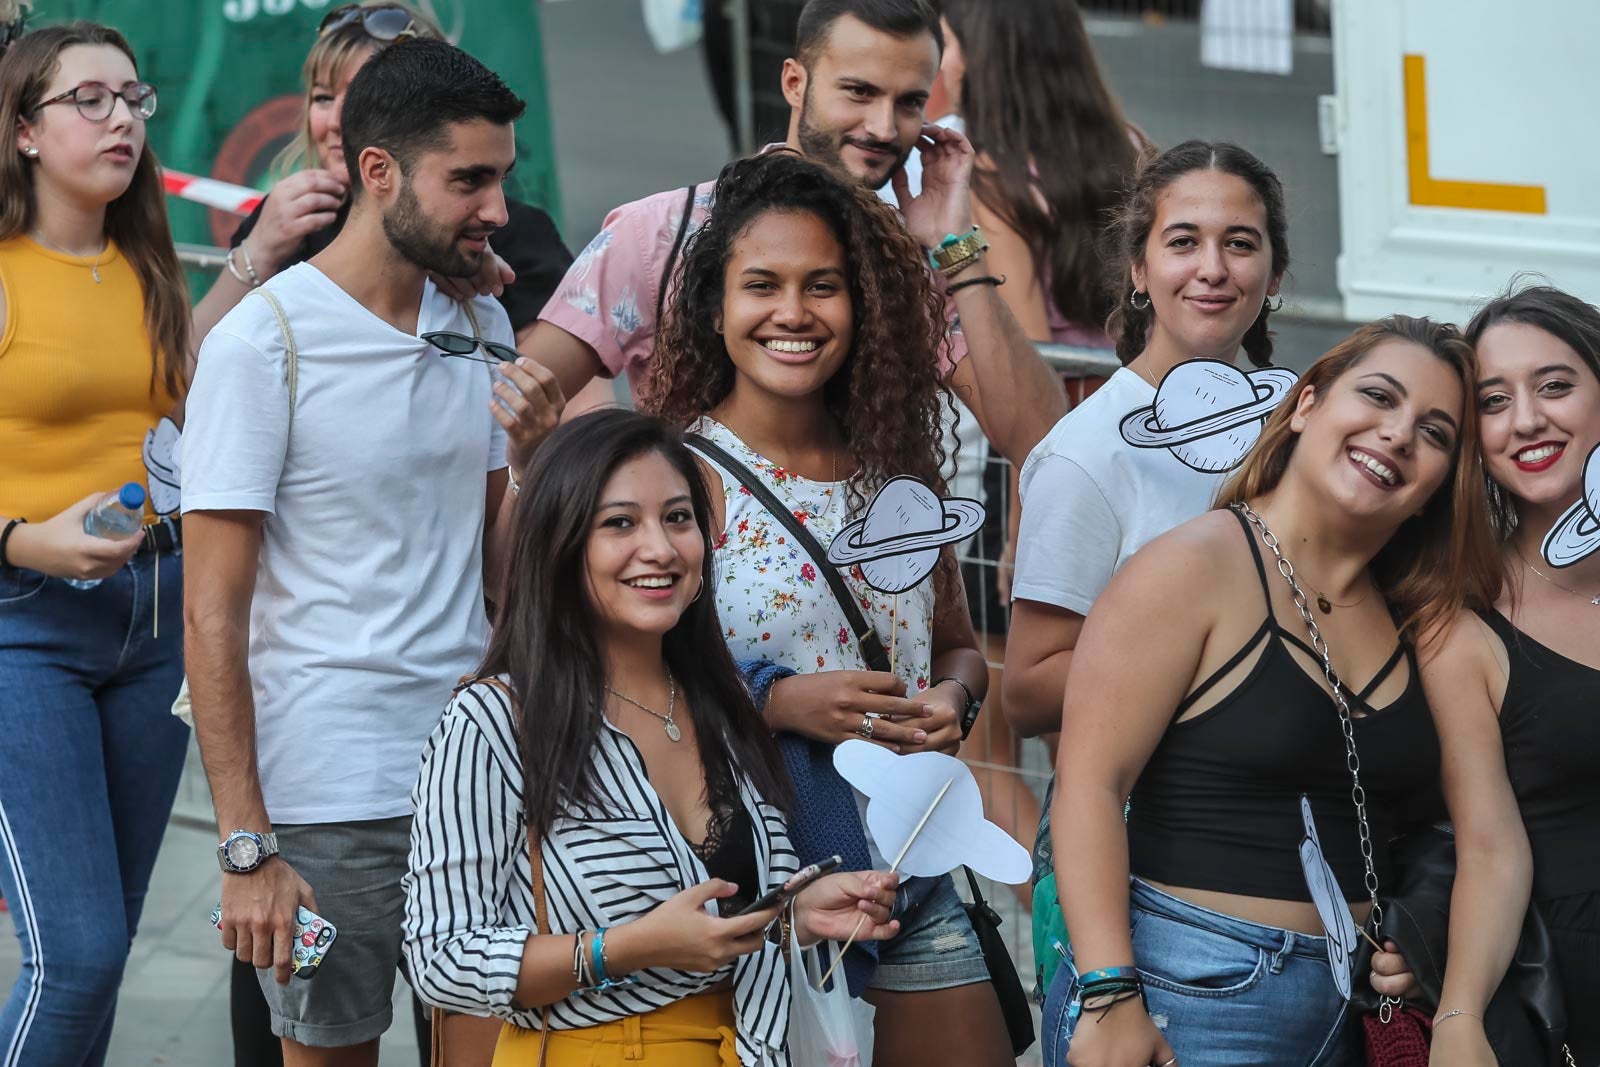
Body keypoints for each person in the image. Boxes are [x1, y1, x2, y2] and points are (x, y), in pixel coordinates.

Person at [181, 39, 560, 1066]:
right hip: (326, 799)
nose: (493, 208)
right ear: (378, 170)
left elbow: (497, 568)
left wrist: (530, 460)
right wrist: (247, 845)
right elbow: (211, 614)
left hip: (476, 782)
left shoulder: (481, 317)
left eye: (501, 178)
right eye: (468, 180)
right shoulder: (264, 343)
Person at [639, 149, 1010, 1066]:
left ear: (863, 306)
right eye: (761, 284)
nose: (793, 314)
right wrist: (775, 701)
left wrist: (954, 702)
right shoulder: (674, 475)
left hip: (908, 870)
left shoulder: (898, 471)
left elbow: (958, 647)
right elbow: (628, 682)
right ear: (714, 307)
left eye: (823, 286)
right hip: (748, 886)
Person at [1043, 316, 1498, 1066]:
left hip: (1354, 1005)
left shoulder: (1416, 616)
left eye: (1435, 432)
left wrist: (1417, 935)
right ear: (1308, 403)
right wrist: (1109, 992)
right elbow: (1090, 783)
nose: (1396, 433)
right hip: (1190, 990)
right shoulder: (1194, 566)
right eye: (1377, 397)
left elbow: (1433, 825)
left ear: (1439, 485)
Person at [404, 409, 902, 1065]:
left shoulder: (719, 701)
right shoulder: (492, 720)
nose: (661, 548)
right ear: (560, 541)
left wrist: (795, 914)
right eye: (619, 522)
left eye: (677, 517)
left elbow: (718, 920)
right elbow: (440, 956)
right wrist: (626, 946)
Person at [525, 0, 1067, 471]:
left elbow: (1039, 442)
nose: (882, 127)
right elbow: (518, 398)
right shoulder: (661, 232)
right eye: (858, 91)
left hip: (883, 583)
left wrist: (958, 246)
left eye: (908, 103)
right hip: (699, 583)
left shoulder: (912, 257)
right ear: (794, 82)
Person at [1000, 139, 1290, 994]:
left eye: (1241, 242)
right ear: (1138, 269)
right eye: (1183, 241)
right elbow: (1027, 686)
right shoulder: (1087, 454)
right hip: (1134, 856)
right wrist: (1212, 664)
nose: (1213, 268)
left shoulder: (1310, 430)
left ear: (1275, 274)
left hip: (1289, 840)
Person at [0, 22, 193, 1065]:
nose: (122, 117)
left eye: (133, 96)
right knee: (73, 952)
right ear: (23, 129)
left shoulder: (146, 263)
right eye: (89, 99)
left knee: (104, 950)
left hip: (154, 627)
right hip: (22, 632)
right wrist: (22, 540)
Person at [931, 0, 1146, 907]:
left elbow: (1008, 353)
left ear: (978, 51)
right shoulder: (1128, 151)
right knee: (1089, 748)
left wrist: (1028, 514)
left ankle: (1071, 922)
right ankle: (1111, 913)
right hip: (1121, 471)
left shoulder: (980, 179)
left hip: (1012, 483)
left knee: (982, 758)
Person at [1369, 285, 1600, 1065]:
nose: (1528, 419)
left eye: (1556, 385)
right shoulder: (1460, 622)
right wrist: (1461, 1015)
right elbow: (1489, 845)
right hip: (1571, 990)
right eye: (1495, 401)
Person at [186, 2, 586, 414]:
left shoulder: (508, 234)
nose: (340, 118)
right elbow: (185, 386)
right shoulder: (285, 221)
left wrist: (449, 262)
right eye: (323, 97)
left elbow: (576, 413)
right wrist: (256, 253)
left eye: (362, 93)